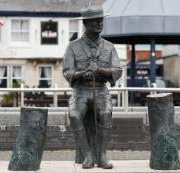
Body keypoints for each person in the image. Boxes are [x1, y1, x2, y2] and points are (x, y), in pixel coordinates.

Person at [62, 4, 122, 169]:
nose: (99, 24)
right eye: (95, 21)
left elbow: (118, 70)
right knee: (74, 115)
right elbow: (67, 71)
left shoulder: (109, 47)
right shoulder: (73, 47)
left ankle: (102, 156)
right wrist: (82, 74)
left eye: (101, 20)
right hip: (80, 91)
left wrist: (101, 71)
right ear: (85, 24)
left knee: (105, 113)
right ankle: (88, 155)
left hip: (101, 91)